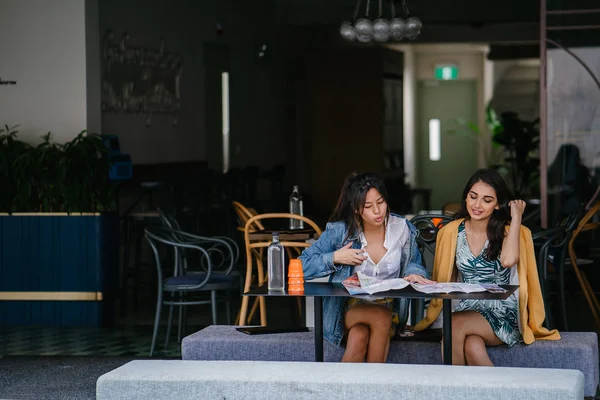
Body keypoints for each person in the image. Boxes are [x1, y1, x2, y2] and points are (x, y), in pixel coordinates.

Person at [412, 169, 560, 366]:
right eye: (473, 197)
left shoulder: (510, 231)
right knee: (472, 346)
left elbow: (508, 260)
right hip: (467, 309)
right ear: (466, 197)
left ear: (498, 204)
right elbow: (447, 279)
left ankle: (449, 390)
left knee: (453, 324)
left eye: (487, 200)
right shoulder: (451, 232)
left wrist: (516, 218)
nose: (477, 205)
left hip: (502, 313)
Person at [298, 172, 433, 363]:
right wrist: (335, 257)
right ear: (355, 209)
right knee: (380, 316)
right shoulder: (340, 232)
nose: (377, 211)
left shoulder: (402, 228)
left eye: (381, 202)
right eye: (368, 206)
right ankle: (375, 389)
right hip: (349, 307)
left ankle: (338, 392)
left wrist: (413, 273)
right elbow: (300, 265)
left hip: (389, 308)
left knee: (359, 337)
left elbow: (414, 263)